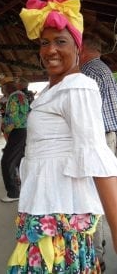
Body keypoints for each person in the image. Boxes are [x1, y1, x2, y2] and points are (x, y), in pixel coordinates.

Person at [7, 0, 117, 273]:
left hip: (58, 218)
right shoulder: (53, 89)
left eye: (61, 41)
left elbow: (97, 158)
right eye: (44, 43)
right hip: (44, 209)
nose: (51, 50)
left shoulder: (78, 86)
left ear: (78, 47)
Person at [80, 32, 117, 271]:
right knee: (105, 198)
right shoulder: (103, 69)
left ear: (83, 48)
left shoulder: (89, 72)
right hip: (107, 137)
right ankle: (98, 252)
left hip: (97, 140)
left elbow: (82, 114)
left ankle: (95, 257)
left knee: (91, 199)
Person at [0, 77, 29, 203]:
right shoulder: (23, 96)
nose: (2, 92)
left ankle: (13, 193)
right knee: (19, 161)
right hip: (24, 131)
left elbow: (12, 117)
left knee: (7, 161)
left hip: (16, 131)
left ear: (8, 88)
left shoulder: (13, 97)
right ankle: (22, 187)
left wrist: (6, 129)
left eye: (3, 89)